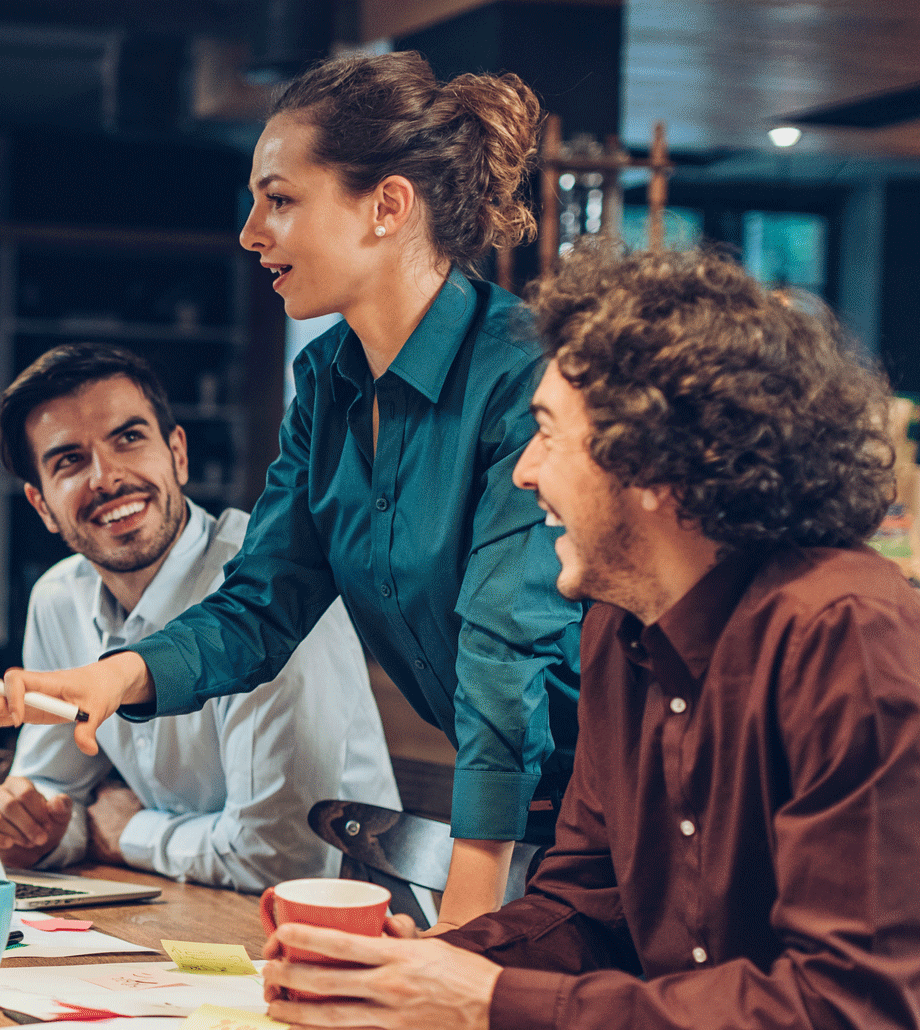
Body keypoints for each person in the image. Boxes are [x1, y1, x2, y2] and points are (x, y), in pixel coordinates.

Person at [0, 51, 583, 927]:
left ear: (386, 208)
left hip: (635, 801)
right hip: (543, 825)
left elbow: (503, 659)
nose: (251, 232)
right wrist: (117, 677)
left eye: (279, 200)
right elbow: (260, 602)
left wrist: (463, 935)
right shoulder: (325, 382)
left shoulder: (522, 373)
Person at [259, 246, 920, 1030]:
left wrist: (485, 1001)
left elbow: (849, 1007)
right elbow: (583, 911)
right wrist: (442, 965)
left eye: (545, 434)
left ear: (649, 462)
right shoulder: (617, 627)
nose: (522, 472)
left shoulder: (842, 635)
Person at [0, 342, 400, 891]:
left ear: (177, 454)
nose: (106, 478)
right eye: (70, 461)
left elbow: (282, 859)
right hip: (186, 908)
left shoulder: (273, 588)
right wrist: (36, 831)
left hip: (346, 924)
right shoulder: (58, 598)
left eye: (129, 439)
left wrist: (131, 831)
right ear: (42, 507)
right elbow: (57, 794)